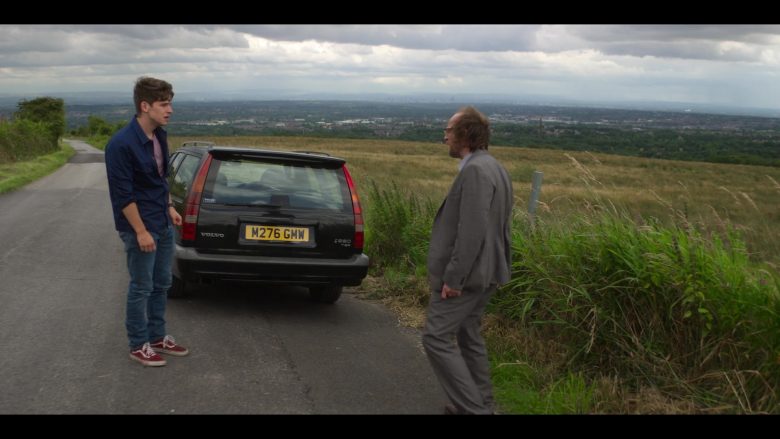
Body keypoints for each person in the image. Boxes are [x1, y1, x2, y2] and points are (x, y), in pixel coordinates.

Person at [422, 106, 513, 414]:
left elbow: (471, 229)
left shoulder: (475, 171)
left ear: (465, 134)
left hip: (468, 275)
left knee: (436, 338)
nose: (444, 135)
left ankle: (472, 409)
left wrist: (454, 278)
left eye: (449, 130)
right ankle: (482, 403)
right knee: (468, 334)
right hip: (488, 271)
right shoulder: (494, 166)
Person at [105, 77, 189, 367]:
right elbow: (122, 195)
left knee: (162, 283)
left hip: (162, 222)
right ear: (145, 106)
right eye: (164, 104)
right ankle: (138, 344)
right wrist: (140, 231)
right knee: (141, 286)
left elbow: (159, 180)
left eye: (170, 104)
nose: (170, 110)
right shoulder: (120, 145)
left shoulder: (159, 136)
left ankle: (157, 337)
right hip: (139, 227)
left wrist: (168, 207)